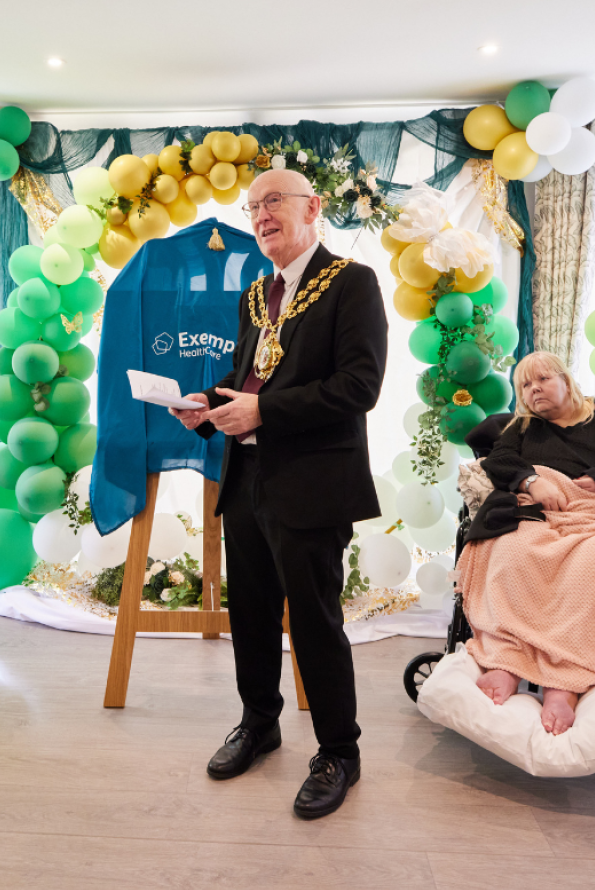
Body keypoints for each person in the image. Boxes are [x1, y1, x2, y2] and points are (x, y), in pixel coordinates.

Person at [169, 168, 387, 820]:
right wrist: (207, 403)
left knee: (315, 621)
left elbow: (359, 386)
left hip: (314, 481)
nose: (261, 215)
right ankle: (259, 723)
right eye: (252, 207)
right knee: (251, 614)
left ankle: (339, 752)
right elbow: (249, 377)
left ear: (312, 207)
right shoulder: (255, 294)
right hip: (246, 477)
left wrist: (263, 413)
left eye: (273, 202)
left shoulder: (351, 282)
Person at [457, 351, 595, 735]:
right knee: (511, 549)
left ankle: (565, 683)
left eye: (542, 379)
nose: (534, 389)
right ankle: (507, 661)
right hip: (542, 512)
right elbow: (499, 460)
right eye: (525, 384)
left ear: (566, 380)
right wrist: (531, 481)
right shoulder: (524, 427)